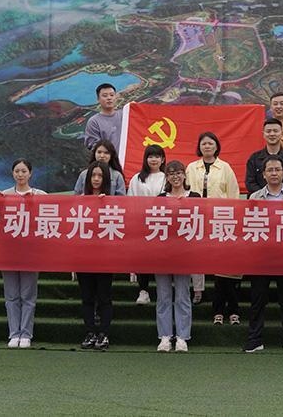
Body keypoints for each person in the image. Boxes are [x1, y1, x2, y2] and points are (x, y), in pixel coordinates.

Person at [244, 155, 283, 353]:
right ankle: (254, 339)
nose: (274, 173)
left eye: (277, 169)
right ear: (263, 174)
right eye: (270, 170)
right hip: (261, 256)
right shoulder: (254, 197)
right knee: (258, 300)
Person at [186, 132, 242, 325]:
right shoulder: (191, 167)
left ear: (216, 146)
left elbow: (233, 193)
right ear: (199, 147)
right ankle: (198, 290)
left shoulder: (225, 167)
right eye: (204, 144)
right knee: (196, 256)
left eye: (210, 143)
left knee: (222, 261)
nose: (207, 146)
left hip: (220, 218)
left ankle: (226, 306)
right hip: (197, 217)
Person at [0, 159, 47, 348]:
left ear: (30, 173)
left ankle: (26, 334)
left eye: (24, 171)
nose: (20, 174)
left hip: (31, 253)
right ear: (12, 173)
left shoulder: (41, 195)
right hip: (9, 252)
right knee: (11, 296)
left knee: (28, 295)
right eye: (17, 171)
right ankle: (14, 333)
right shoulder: (4, 195)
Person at [155, 160, 200, 352]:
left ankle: (182, 336)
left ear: (184, 175)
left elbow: (201, 221)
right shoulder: (160, 198)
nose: (175, 177)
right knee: (163, 296)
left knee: (182, 295)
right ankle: (165, 336)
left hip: (185, 253)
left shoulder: (194, 196)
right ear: (167, 177)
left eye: (179, 173)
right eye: (171, 173)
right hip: (163, 253)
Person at [77, 161, 114, 350]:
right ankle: (90, 332)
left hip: (105, 257)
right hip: (84, 256)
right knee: (87, 297)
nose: (96, 179)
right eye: (93, 175)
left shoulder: (113, 202)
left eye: (100, 176)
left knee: (104, 297)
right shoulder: (80, 201)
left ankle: (104, 334)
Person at [127, 144, 167, 305]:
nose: (154, 159)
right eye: (151, 156)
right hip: (141, 223)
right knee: (142, 257)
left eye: (157, 156)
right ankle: (143, 290)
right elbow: (130, 200)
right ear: (145, 159)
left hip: (162, 222)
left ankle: (163, 291)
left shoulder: (166, 177)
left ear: (162, 159)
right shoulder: (137, 178)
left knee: (161, 257)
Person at [245, 118, 283, 195]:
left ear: (282, 134)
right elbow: (250, 183)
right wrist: (266, 195)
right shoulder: (254, 159)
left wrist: (280, 195)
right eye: (268, 131)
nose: (272, 134)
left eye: (275, 131)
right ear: (263, 134)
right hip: (260, 199)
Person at [84, 83, 123, 155]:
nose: (109, 98)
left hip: (129, 159)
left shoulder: (123, 115)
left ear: (116, 97)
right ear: (98, 99)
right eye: (105, 96)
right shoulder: (94, 121)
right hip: (107, 160)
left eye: (112, 95)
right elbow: (93, 145)